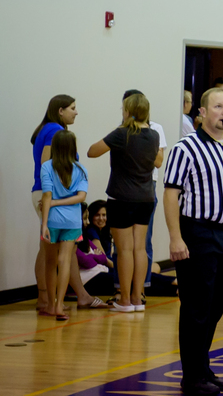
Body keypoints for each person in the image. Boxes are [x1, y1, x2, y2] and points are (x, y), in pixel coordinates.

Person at [163, 87, 223, 395]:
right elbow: (171, 194)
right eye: (217, 106)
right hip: (197, 233)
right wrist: (175, 237)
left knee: (217, 304)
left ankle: (202, 367)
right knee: (197, 307)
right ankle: (192, 375)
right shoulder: (185, 148)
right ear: (201, 112)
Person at [87, 93, 162, 313]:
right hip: (146, 197)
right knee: (140, 249)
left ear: (127, 111)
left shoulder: (122, 133)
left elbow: (92, 151)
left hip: (121, 198)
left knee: (124, 250)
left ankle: (125, 301)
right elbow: (157, 160)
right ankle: (138, 299)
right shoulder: (154, 135)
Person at [30, 94, 78, 315]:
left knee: (47, 249)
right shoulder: (54, 131)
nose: (76, 112)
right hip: (50, 195)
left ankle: (47, 299)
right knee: (52, 252)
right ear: (60, 110)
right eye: (72, 108)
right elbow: (46, 164)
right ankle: (48, 300)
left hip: (47, 194)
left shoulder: (47, 128)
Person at [39, 130, 89, 320]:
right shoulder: (80, 169)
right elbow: (81, 197)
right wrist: (62, 202)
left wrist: (44, 223)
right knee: (65, 262)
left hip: (52, 220)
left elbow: (47, 195)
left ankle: (51, 305)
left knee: (50, 263)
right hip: (73, 221)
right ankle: (60, 305)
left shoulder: (47, 167)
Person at [122, 89, 166, 297]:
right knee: (122, 245)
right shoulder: (122, 130)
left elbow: (158, 161)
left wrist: (142, 144)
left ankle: (140, 289)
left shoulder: (155, 130)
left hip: (148, 186)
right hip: (124, 189)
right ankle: (121, 289)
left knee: (143, 242)